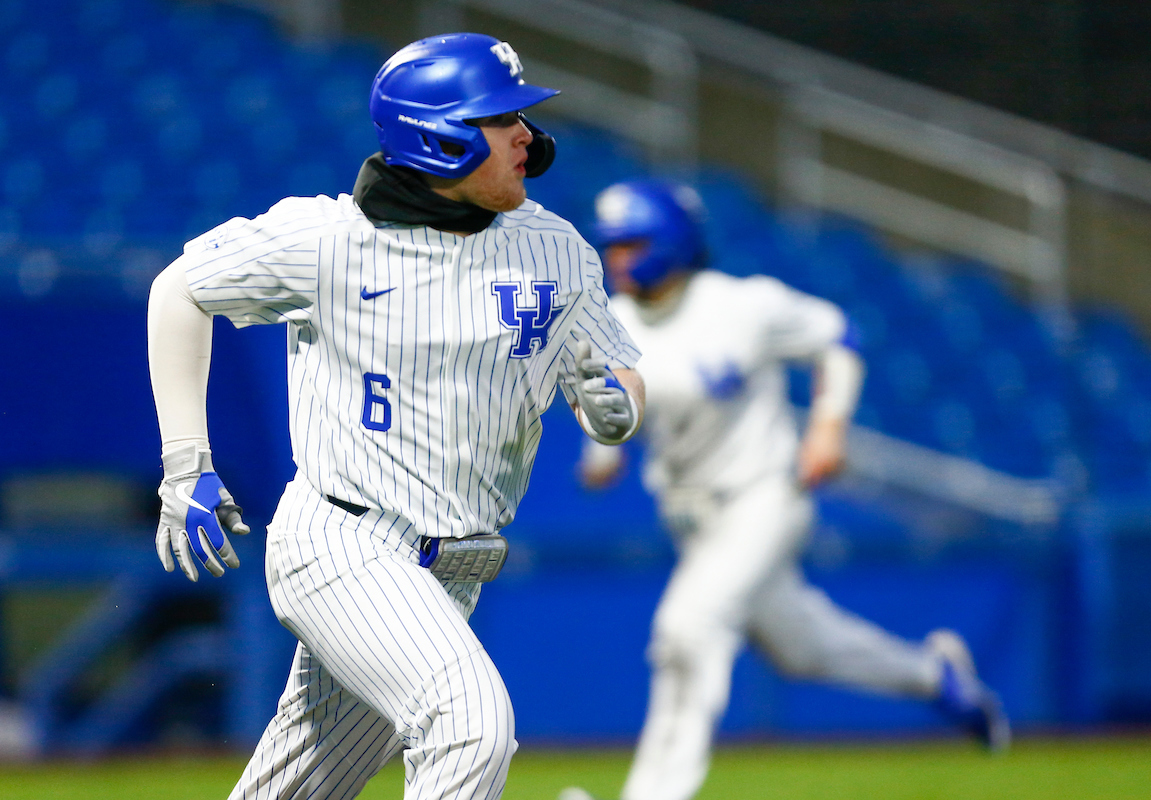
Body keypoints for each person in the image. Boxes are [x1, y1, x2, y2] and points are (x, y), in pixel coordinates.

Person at [147, 33, 644, 800]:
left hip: (452, 570)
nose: (526, 134)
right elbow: (180, 290)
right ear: (437, 138)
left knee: (300, 787)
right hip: (342, 542)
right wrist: (187, 465)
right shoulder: (327, 238)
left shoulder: (555, 249)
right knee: (470, 725)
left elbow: (613, 374)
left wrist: (616, 410)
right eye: (500, 117)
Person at [560, 180, 1009, 800]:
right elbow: (612, 418)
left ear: (671, 241)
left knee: (689, 627)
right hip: (692, 522)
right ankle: (938, 677)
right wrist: (601, 456)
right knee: (803, 649)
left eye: (631, 243)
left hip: (762, 500)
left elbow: (838, 336)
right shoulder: (612, 326)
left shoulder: (742, 305)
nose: (617, 258)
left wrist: (829, 426)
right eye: (611, 246)